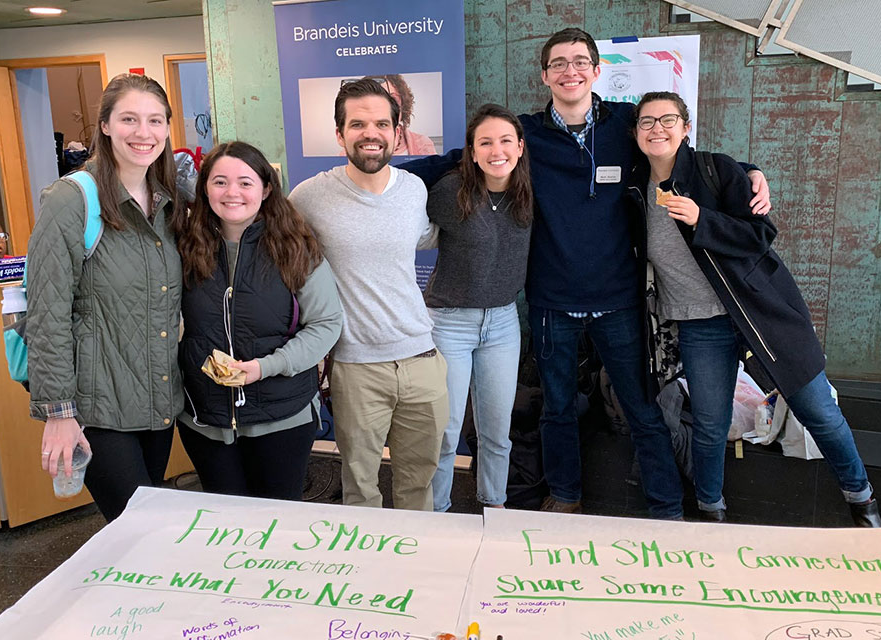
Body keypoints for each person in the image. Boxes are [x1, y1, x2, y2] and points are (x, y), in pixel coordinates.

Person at [405, 27, 772, 518]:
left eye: (580, 61)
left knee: (642, 411)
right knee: (557, 410)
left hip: (619, 299)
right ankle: (566, 493)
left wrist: (748, 169)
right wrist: (382, 177)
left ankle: (666, 506)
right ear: (545, 76)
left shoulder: (626, 124)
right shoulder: (527, 135)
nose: (570, 70)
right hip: (551, 301)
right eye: (559, 63)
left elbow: (678, 153)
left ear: (598, 71)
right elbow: (457, 159)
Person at [627, 91, 881, 527]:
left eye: (668, 119)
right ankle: (712, 510)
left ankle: (862, 500)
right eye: (647, 122)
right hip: (698, 324)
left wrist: (701, 220)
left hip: (762, 313)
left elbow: (760, 234)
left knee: (818, 410)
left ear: (686, 128)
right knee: (709, 425)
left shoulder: (715, 170)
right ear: (635, 134)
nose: (658, 129)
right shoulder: (634, 189)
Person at [25, 73, 183, 522]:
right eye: (129, 119)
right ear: (106, 125)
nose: (143, 132)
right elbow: (47, 313)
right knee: (140, 529)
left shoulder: (167, 200)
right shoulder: (72, 199)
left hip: (156, 400)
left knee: (143, 535)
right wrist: (58, 412)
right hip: (98, 407)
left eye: (155, 120)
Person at [289, 78, 447, 511]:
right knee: (361, 489)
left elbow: (427, 241)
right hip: (357, 367)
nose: (370, 133)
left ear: (398, 132)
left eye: (381, 123)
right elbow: (279, 255)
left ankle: (418, 568)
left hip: (423, 361)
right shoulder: (309, 196)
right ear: (340, 134)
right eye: (357, 124)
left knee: (420, 486)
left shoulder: (414, 190)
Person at [172, 141, 342, 500]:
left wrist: (266, 367)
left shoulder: (296, 249)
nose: (232, 192)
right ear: (205, 188)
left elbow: (326, 324)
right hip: (206, 421)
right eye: (220, 182)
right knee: (226, 526)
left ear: (266, 189)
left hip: (282, 417)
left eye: (245, 183)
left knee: (278, 525)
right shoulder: (184, 248)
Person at [425, 104, 532, 512]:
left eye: (505, 140)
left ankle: (494, 506)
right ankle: (437, 512)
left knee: (496, 432)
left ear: (520, 147)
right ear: (470, 151)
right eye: (484, 142)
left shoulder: (527, 193)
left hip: (503, 322)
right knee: (446, 431)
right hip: (450, 322)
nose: (496, 150)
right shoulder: (450, 193)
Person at [366, 75, 437, 155]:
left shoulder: (422, 144)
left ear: (403, 105)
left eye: (392, 99)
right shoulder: (351, 143)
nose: (384, 107)